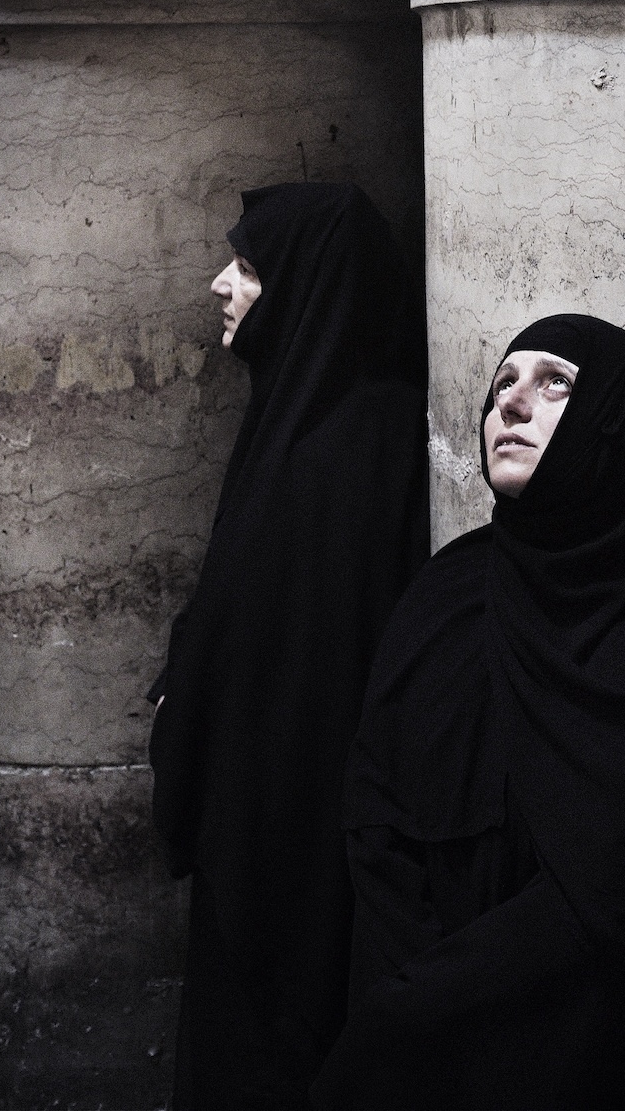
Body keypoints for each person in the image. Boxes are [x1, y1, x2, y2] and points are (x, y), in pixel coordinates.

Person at [311, 314, 625, 1110]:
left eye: (554, 382)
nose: (512, 405)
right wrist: (399, 1002)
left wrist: (426, 1005)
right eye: (503, 383)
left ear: (616, 422)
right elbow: (376, 809)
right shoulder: (444, 598)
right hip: (412, 1049)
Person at [148, 182, 430, 1110]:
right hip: (256, 820)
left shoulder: (364, 443)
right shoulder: (297, 420)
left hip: (298, 845)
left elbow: (325, 657)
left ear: (310, 288)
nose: (221, 283)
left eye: (252, 267)